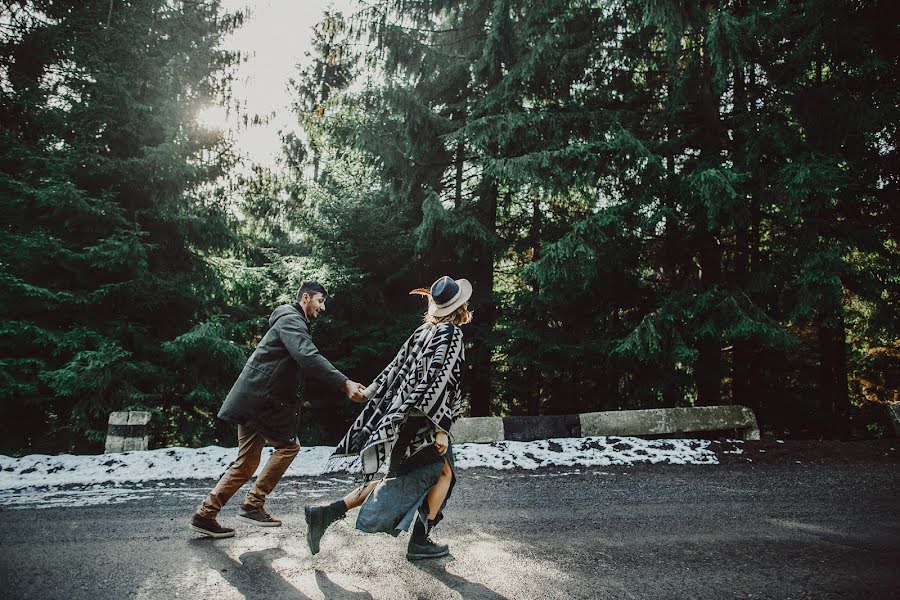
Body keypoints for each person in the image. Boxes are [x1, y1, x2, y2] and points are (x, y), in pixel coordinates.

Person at [304, 275, 472, 561]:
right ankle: (420, 542)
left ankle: (326, 514)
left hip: (405, 418)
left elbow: (394, 369)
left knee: (400, 477)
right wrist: (441, 428)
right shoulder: (451, 335)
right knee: (439, 474)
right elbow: (441, 384)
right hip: (426, 422)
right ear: (460, 306)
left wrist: (369, 393)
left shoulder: (423, 332)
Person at [190, 281, 367, 538]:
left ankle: (205, 515)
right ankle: (252, 504)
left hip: (255, 400)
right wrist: (344, 383)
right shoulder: (291, 320)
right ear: (305, 298)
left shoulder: (291, 321)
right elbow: (308, 357)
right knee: (288, 447)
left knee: (246, 463)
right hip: (260, 401)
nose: (323, 307)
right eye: (320, 301)